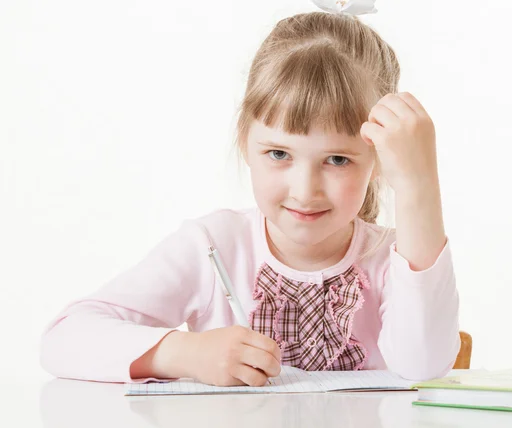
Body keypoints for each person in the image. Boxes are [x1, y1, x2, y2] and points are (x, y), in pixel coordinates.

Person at [40, 0, 460, 387]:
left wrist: (417, 185)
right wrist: (182, 353)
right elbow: (64, 338)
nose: (305, 190)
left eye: (337, 160)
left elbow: (422, 368)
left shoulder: (393, 259)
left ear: (378, 160)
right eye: (279, 153)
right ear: (245, 142)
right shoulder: (213, 245)